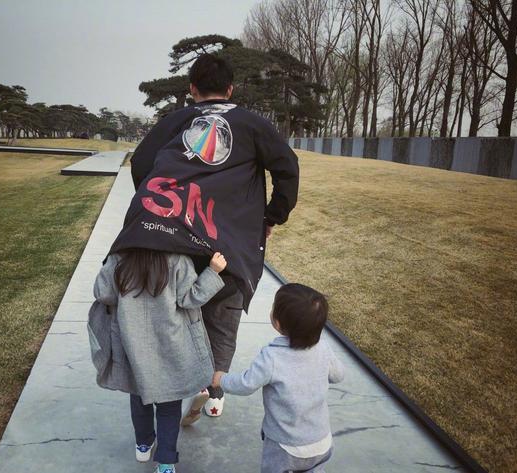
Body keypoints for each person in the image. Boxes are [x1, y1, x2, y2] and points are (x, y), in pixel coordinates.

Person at [111, 53, 300, 420]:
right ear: (230, 89)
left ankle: (178, 380)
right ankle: (213, 389)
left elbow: (141, 164)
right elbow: (287, 166)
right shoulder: (252, 123)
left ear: (192, 89)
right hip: (228, 243)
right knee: (224, 314)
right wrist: (272, 215)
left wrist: (161, 208)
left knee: (179, 311)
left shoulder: (175, 121)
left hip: (172, 241)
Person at [93, 248, 228, 473]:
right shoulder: (178, 259)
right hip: (170, 347)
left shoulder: (120, 258)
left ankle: (143, 443)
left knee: (139, 397)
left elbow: (103, 293)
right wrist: (212, 272)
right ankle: (166, 462)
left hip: (132, 345)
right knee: (169, 406)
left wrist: (110, 260)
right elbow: (190, 298)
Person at [212, 284, 345, 473]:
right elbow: (339, 375)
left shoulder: (272, 357)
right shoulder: (323, 349)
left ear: (278, 323)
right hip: (321, 441)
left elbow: (246, 384)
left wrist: (222, 380)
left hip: (286, 446)